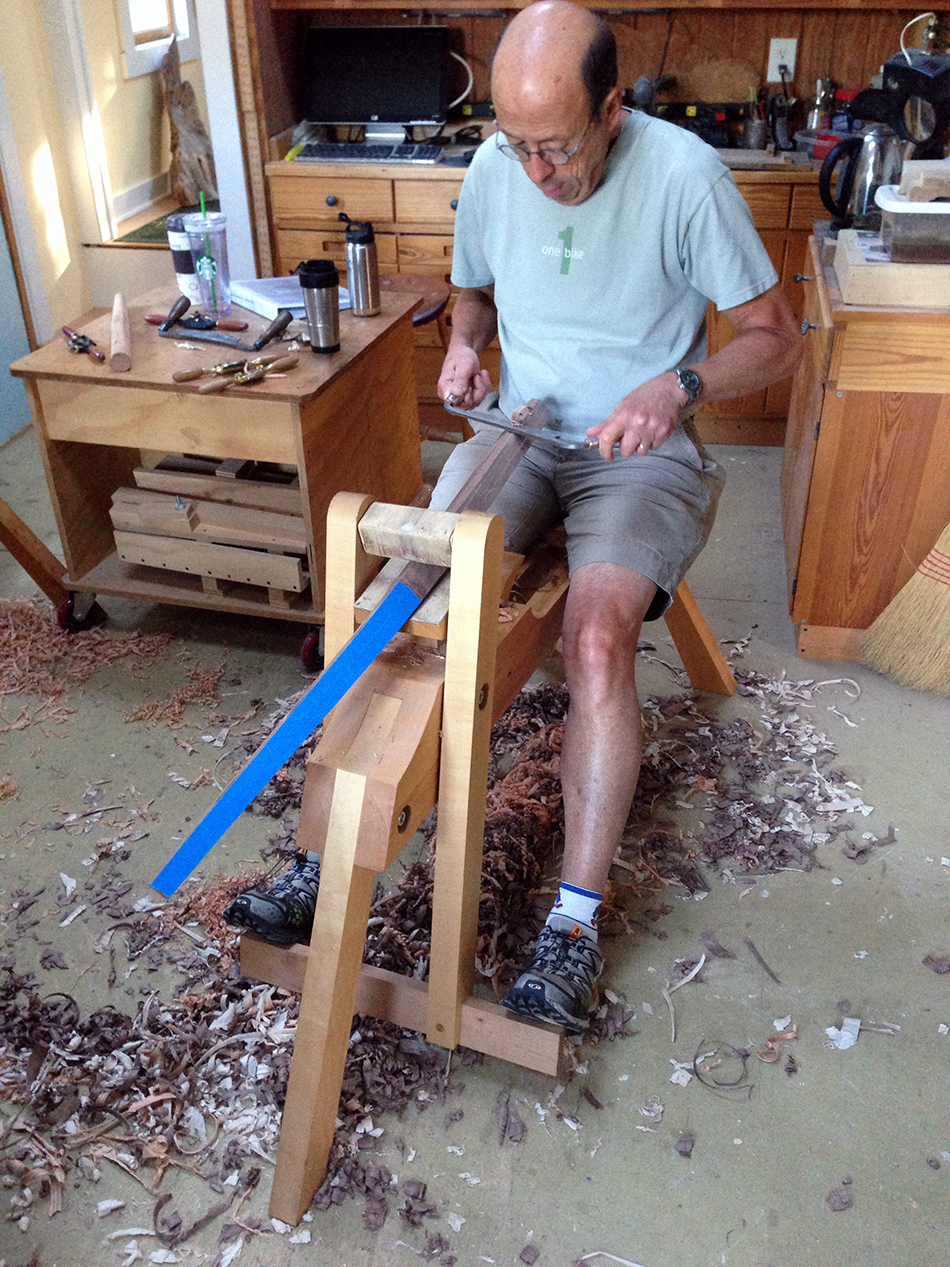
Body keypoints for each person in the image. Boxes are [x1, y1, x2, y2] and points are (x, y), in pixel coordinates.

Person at [226, 0, 801, 1034]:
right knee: (403, 600)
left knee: (593, 635)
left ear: (613, 110)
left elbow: (774, 336)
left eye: (555, 148)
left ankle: (571, 925)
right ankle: (320, 859)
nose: (534, 173)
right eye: (514, 144)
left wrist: (679, 385)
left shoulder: (682, 178)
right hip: (525, 424)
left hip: (637, 448)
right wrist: (463, 345)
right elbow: (473, 294)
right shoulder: (496, 168)